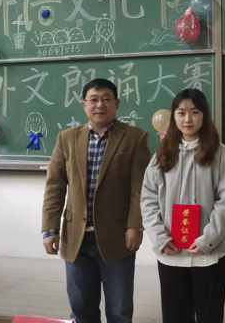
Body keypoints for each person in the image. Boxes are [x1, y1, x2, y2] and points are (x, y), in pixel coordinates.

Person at [41, 78, 151, 323]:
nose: (100, 105)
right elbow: (54, 187)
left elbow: (140, 187)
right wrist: (50, 229)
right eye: (93, 99)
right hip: (76, 237)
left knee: (119, 310)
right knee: (81, 309)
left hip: (117, 236)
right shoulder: (66, 138)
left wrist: (135, 225)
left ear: (116, 103)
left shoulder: (135, 137)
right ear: (84, 104)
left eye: (106, 99)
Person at [141, 88, 225, 323]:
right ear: (174, 116)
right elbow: (148, 200)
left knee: (209, 316)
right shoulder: (162, 154)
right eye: (181, 112)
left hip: (209, 254)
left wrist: (207, 241)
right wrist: (160, 239)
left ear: (204, 115)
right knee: (175, 317)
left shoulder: (219, 153)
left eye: (195, 112)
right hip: (171, 252)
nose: (188, 119)